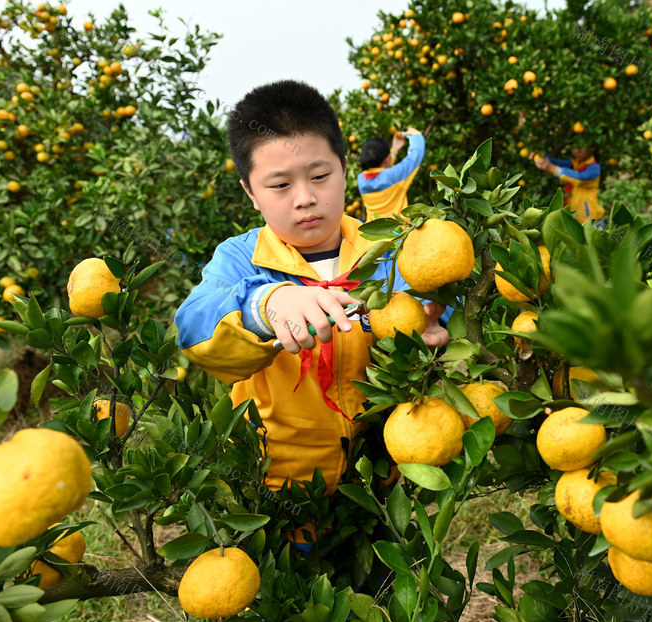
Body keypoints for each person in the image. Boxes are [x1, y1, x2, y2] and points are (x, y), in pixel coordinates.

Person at [174, 79, 450, 552]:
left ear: (344, 170)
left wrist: (438, 324)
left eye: (320, 177)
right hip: (278, 487)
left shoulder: (390, 252)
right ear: (250, 192)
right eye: (280, 185)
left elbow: (444, 304)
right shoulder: (241, 259)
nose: (304, 197)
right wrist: (269, 303)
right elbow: (194, 325)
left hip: (380, 479)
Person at [357, 128, 425, 221]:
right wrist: (417, 135)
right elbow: (415, 156)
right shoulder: (394, 176)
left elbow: (383, 172)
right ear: (387, 159)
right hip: (398, 232)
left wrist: (395, 149)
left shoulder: (361, 179)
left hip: (373, 231)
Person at [530, 142, 606, 224]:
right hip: (574, 219)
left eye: (580, 148)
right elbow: (556, 162)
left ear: (592, 149)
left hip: (591, 220)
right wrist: (541, 154)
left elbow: (579, 178)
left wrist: (552, 168)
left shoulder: (594, 168)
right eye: (574, 147)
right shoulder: (576, 164)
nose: (576, 151)